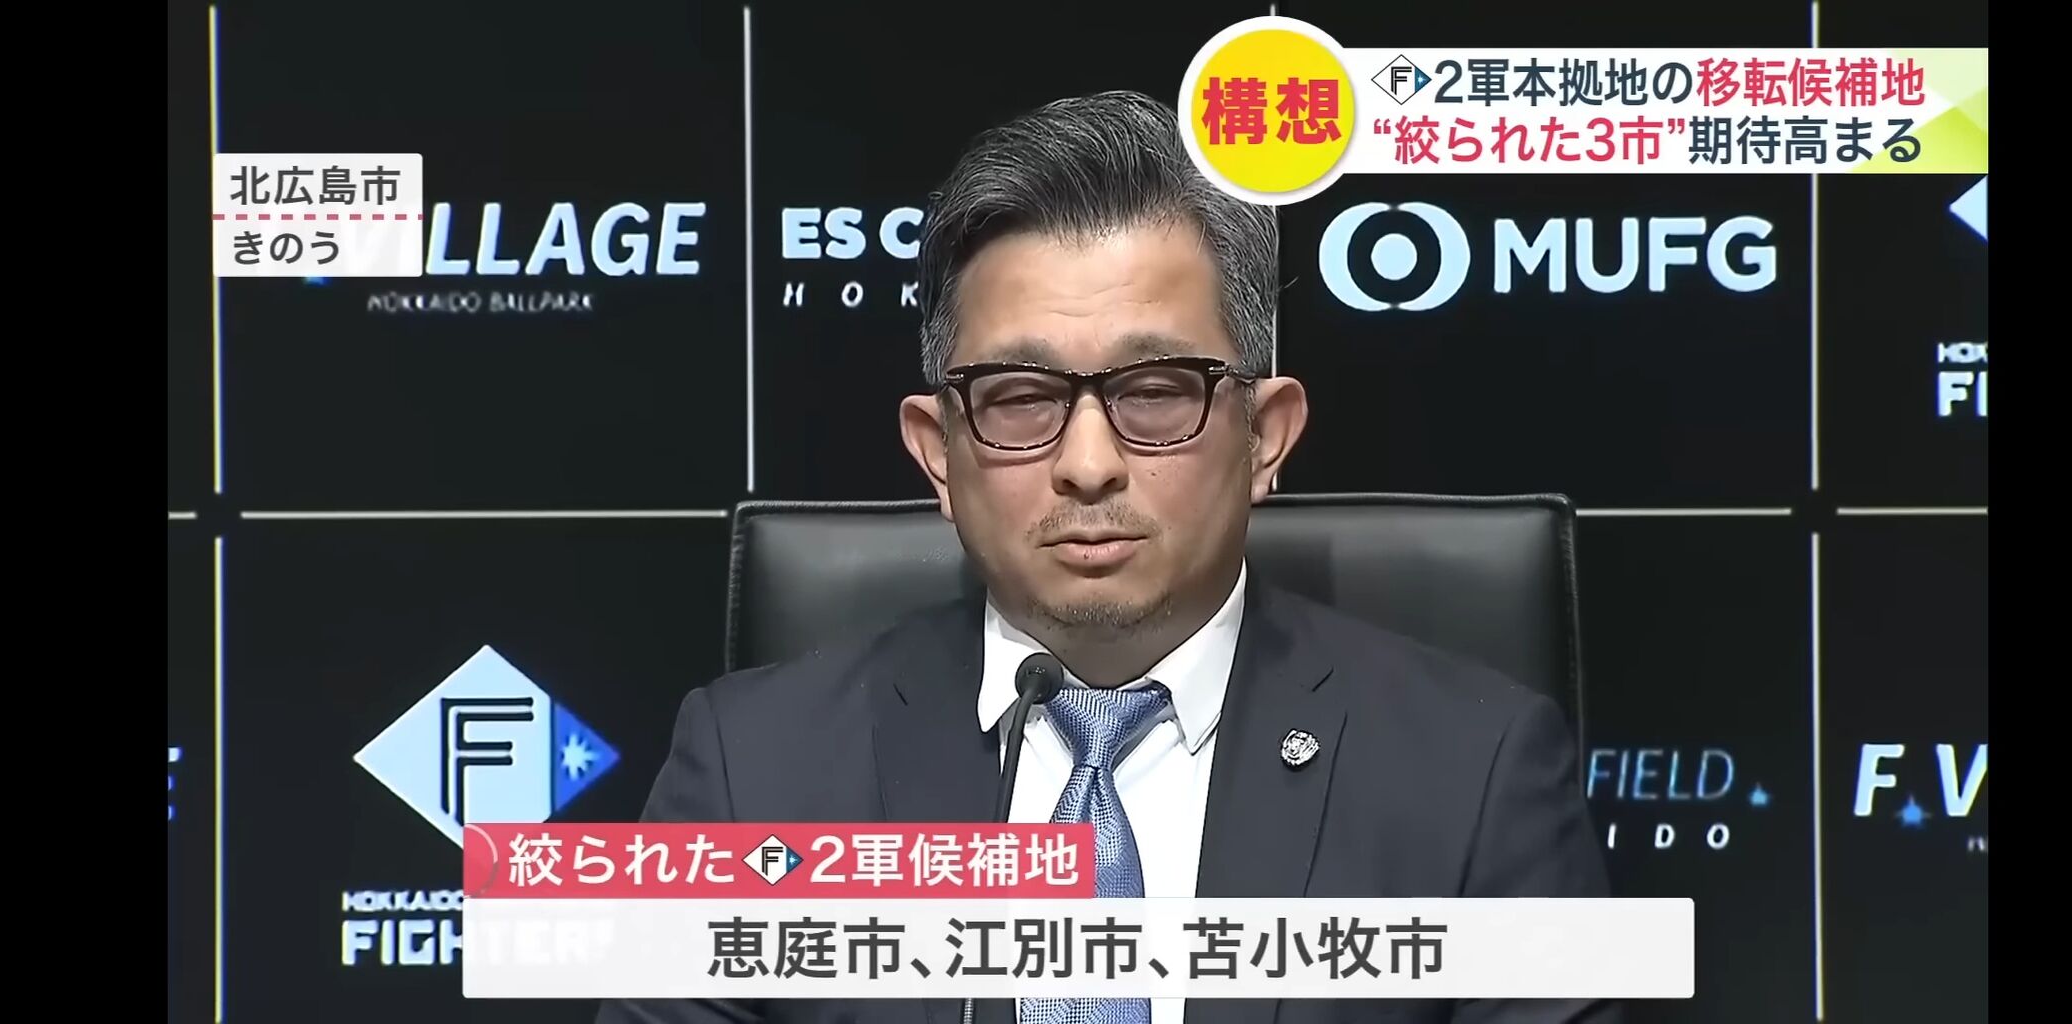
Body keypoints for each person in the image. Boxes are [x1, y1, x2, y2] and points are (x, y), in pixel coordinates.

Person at [597, 90, 1614, 1024]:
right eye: (1020, 399)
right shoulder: (752, 773)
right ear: (938, 453)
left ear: (1264, 437)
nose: (1088, 465)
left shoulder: (1474, 779)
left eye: (1156, 391)